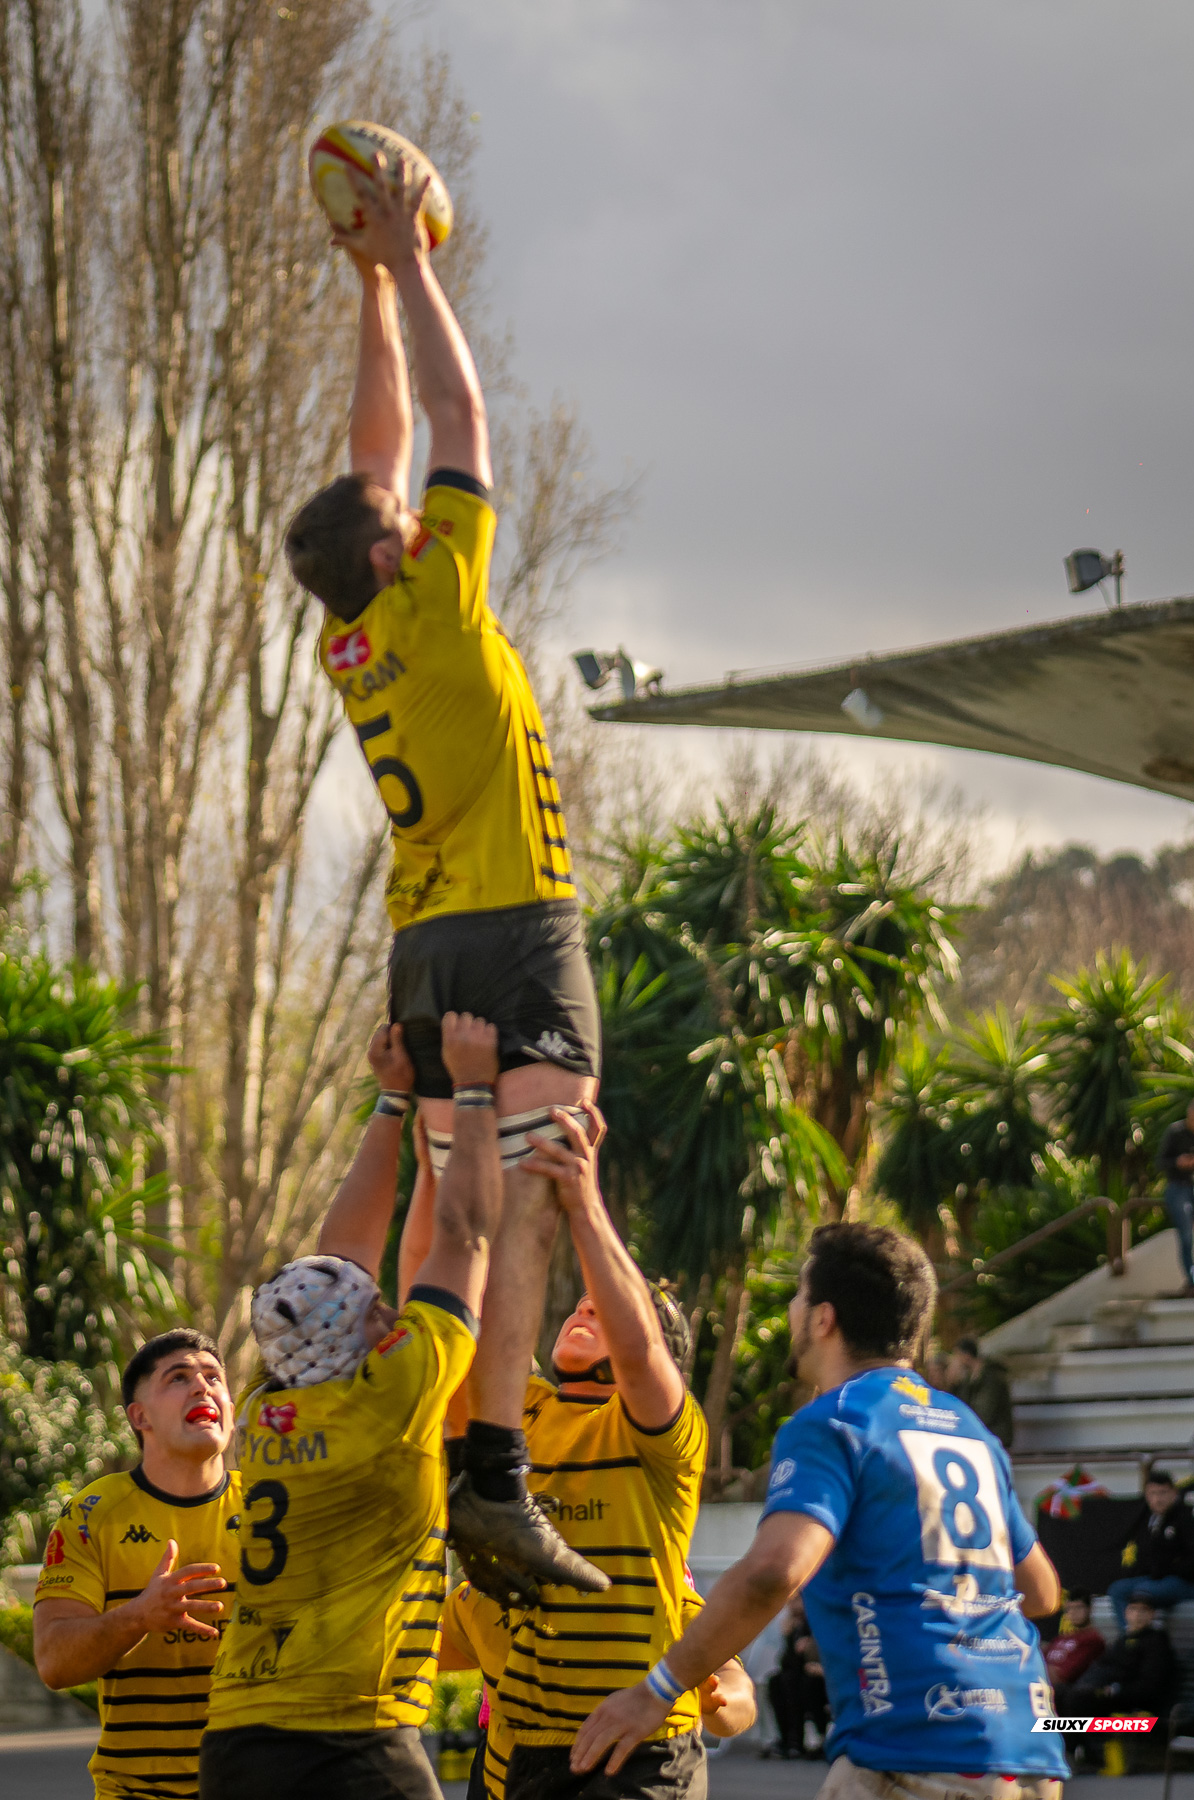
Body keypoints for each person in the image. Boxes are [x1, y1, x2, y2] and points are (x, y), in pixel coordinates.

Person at [283, 137, 602, 1596]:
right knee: (525, 1195)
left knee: (448, 1206)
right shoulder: (448, 589)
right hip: (517, 931)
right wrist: (409, 257)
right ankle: (494, 1478)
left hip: (426, 948)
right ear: (406, 543)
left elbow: (375, 455)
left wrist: (362, 287)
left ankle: (429, 1440)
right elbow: (457, 410)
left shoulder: (353, 633)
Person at [571, 1222, 1069, 1800]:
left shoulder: (836, 1420)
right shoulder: (967, 1429)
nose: (790, 1310)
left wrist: (655, 1691)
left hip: (914, 1754)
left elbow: (773, 1573)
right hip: (1028, 1752)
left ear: (824, 1318)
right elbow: (1041, 1591)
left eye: (797, 1296)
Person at [199, 1014, 502, 1800]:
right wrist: (472, 1087)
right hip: (346, 1733)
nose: (391, 1315)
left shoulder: (269, 1410)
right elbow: (465, 1236)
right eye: (377, 1314)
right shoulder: (391, 1400)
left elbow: (342, 1264)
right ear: (361, 1340)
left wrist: (391, 1102)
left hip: (238, 1735)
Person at [399, 1102, 711, 1800]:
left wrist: (582, 1198)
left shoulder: (667, 1438)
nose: (586, 1306)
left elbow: (637, 1343)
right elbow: (433, 1311)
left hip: (641, 1751)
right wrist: (432, 1169)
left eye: (612, 1304)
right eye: (581, 1301)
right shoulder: (516, 1412)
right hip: (525, 1757)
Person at [33, 1329, 240, 1800]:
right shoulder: (91, 1513)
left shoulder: (272, 1507)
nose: (203, 1387)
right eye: (179, 1378)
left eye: (213, 1377)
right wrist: (139, 1616)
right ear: (139, 1415)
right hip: (135, 1791)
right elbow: (53, 1661)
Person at [438, 1578, 757, 1800]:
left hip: (628, 1770)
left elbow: (739, 1691)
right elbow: (418, 1647)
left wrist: (717, 1700)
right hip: (506, 1768)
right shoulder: (496, 1596)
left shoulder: (662, 1598)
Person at [1058, 1592, 1175, 1772]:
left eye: (1143, 1611)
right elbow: (1102, 1667)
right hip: (1111, 1698)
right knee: (1061, 1693)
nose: (1137, 1615)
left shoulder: (1156, 1644)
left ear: (1152, 1615)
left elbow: (1150, 1687)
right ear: (1126, 1613)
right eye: (1133, 1610)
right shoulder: (1123, 1640)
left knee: (1078, 1699)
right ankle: (1072, 1752)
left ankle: (1084, 1754)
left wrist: (1115, 1690)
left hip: (1137, 1706)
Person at [1108, 1466, 1194, 1628]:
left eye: (1163, 1493)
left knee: (1143, 1592)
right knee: (1117, 1589)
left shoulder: (1187, 1520)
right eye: (1153, 1494)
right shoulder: (1148, 1522)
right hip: (1154, 1579)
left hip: (1182, 1582)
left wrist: (1168, 1569)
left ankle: (1148, 1639)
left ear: (1174, 1493)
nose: (1158, 1499)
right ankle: (1130, 1638)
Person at [766, 1594, 828, 1760]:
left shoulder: (819, 1621)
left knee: (805, 1684)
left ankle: (822, 1739)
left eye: (796, 1601)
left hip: (824, 1675)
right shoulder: (796, 1626)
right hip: (800, 1676)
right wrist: (789, 1636)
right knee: (778, 1681)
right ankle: (790, 1740)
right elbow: (786, 1663)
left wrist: (819, 1665)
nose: (792, 1606)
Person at [1157, 1098, 1194, 1294]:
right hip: (1178, 1187)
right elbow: (1159, 1162)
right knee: (1186, 1234)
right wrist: (1177, 1162)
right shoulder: (1175, 1132)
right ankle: (1192, 1282)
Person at [946, 1338, 1013, 1448]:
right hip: (981, 1435)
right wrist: (953, 1384)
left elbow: (984, 1414)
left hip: (995, 1436)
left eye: (957, 1356)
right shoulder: (969, 1378)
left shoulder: (991, 1378)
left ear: (966, 1356)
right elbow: (960, 1408)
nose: (954, 1361)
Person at [1042, 1593, 1105, 1706]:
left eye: (1078, 1607)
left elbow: (1066, 1675)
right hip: (1044, 1686)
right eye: (1069, 1609)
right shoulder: (1060, 1639)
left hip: (1064, 1693)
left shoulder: (1092, 1639)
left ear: (1089, 1609)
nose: (1073, 1612)